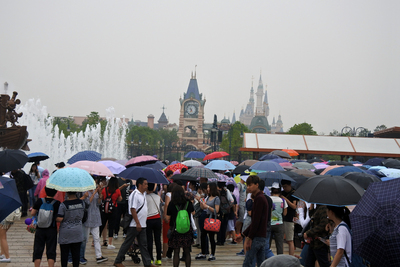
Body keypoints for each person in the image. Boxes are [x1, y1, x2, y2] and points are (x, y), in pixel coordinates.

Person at [113, 177, 156, 267]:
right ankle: (118, 261)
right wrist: (137, 223)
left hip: (142, 224)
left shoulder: (143, 194)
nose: (147, 185)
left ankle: (147, 263)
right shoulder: (135, 194)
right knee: (127, 243)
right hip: (134, 224)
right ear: (140, 185)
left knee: (143, 245)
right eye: (145, 184)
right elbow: (132, 209)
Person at [237, 175, 269, 267]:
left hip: (257, 237)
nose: (248, 187)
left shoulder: (259, 199)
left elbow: (256, 221)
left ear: (257, 185)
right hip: (261, 236)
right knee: (261, 263)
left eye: (250, 185)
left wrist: (249, 238)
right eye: (247, 185)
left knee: (248, 262)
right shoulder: (261, 197)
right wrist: (243, 235)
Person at [31, 187, 61, 267]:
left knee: (38, 249)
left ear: (45, 191)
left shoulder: (39, 201)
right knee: (51, 250)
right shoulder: (57, 203)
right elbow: (58, 218)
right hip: (51, 229)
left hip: (40, 229)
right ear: (55, 192)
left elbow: (32, 213)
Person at [167, 185, 195, 267]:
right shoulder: (188, 202)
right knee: (187, 251)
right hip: (187, 229)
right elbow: (193, 213)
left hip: (175, 230)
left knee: (176, 251)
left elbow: (168, 217)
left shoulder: (172, 204)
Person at [81, 181, 108, 264]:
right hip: (87, 218)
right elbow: (87, 203)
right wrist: (94, 193)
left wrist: (100, 196)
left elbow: (98, 203)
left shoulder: (95, 192)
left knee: (96, 238)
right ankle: (81, 257)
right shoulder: (84, 192)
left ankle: (99, 256)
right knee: (84, 239)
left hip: (96, 217)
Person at [56, 192, 85, 267]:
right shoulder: (82, 203)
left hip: (66, 232)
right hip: (78, 231)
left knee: (64, 254)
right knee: (76, 254)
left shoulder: (63, 204)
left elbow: (60, 218)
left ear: (67, 193)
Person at [196, 183, 220, 261]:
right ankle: (203, 252)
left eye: (209, 187)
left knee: (211, 237)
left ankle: (212, 254)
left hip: (212, 218)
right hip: (206, 217)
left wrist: (208, 207)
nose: (208, 189)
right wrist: (200, 201)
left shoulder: (216, 198)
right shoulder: (207, 197)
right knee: (203, 235)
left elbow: (216, 210)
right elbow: (203, 207)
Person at [100, 177, 122, 249]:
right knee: (111, 226)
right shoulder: (117, 190)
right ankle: (109, 243)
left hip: (104, 209)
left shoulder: (104, 189)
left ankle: (96, 241)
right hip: (113, 209)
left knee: (102, 225)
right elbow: (120, 199)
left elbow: (102, 197)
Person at [146, 183, 162, 265]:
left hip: (148, 219)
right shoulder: (157, 196)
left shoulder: (145, 197)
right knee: (158, 240)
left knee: (149, 240)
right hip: (157, 219)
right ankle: (159, 259)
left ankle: (150, 259)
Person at [280, 179, 297, 256]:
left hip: (289, 218)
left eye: (285, 187)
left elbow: (294, 206)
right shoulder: (282, 192)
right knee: (280, 239)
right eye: (283, 187)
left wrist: (285, 199)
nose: (284, 188)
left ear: (290, 185)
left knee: (290, 240)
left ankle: (291, 256)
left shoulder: (294, 193)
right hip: (281, 218)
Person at [269, 182, 287, 255]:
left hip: (269, 224)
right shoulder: (283, 200)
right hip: (279, 224)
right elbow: (285, 213)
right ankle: (280, 260)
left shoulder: (268, 199)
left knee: (267, 244)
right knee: (279, 245)